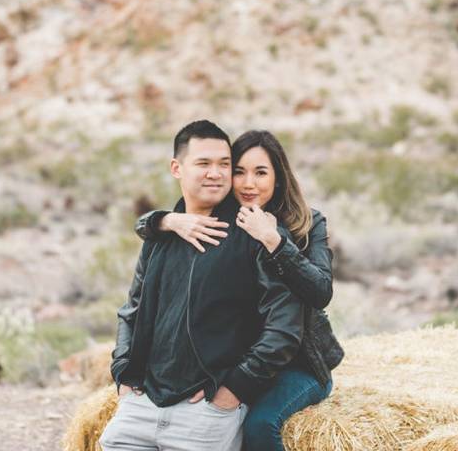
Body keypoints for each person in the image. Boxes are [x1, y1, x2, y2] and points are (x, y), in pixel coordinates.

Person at [100, 120, 304, 451]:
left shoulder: (255, 232)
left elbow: (283, 326)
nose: (216, 173)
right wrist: (123, 374)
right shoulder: (162, 235)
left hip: (206, 413)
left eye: (225, 164)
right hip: (141, 407)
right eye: (204, 163)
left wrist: (231, 391)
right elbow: (131, 311)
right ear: (177, 168)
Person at [136, 129, 344, 451]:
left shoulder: (308, 222)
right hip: (241, 360)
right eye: (239, 172)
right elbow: (148, 224)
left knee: (259, 425)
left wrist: (273, 240)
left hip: (297, 362)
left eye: (261, 172)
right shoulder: (224, 222)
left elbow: (320, 290)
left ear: (278, 177)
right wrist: (166, 220)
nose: (249, 183)